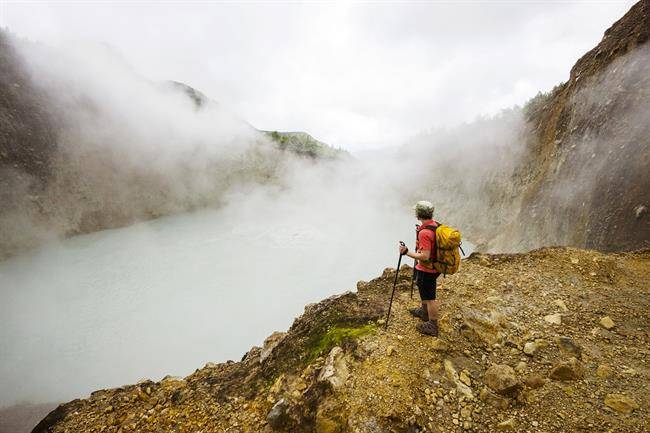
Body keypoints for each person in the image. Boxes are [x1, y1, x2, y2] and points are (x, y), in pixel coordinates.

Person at [399, 201, 440, 337]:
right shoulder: (434, 226)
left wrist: (406, 252)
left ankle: (432, 325)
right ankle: (424, 312)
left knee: (430, 297)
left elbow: (425, 256)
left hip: (427, 269)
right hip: (431, 268)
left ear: (418, 214)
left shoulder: (425, 233)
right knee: (424, 291)